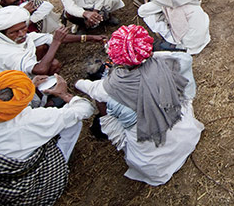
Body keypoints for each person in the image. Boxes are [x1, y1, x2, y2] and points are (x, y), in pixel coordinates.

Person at [75, 25, 203, 186]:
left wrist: (75, 84)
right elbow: (186, 81)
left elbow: (90, 89)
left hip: (155, 165)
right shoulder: (168, 61)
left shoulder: (110, 86)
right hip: (186, 136)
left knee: (109, 107)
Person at [0, 70, 94, 206]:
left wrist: (30, 87)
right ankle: (63, 161)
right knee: (73, 123)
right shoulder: (31, 121)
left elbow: (13, 109)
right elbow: (86, 109)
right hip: (22, 196)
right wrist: (64, 94)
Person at [0, 5, 106, 86]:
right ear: (2, 34)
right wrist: (56, 42)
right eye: (14, 32)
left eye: (24, 28)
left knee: (53, 62)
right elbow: (40, 70)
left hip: (19, 79)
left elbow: (53, 38)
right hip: (4, 91)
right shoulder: (3, 51)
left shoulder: (20, 38)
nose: (22, 33)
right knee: (52, 64)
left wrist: (92, 37)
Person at [138, 0, 210, 55]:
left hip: (191, 40)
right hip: (203, 32)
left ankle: (177, 45)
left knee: (150, 15)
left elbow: (141, 11)